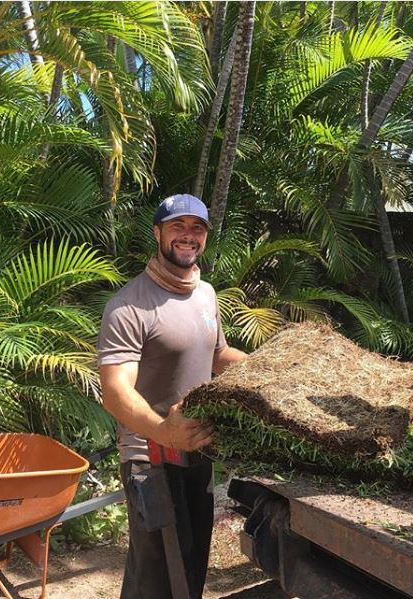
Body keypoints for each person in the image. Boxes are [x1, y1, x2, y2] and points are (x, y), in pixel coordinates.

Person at [98, 194, 247, 599]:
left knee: (191, 565)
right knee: (157, 575)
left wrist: (265, 370)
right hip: (151, 457)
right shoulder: (130, 306)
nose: (188, 236)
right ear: (158, 233)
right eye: (177, 226)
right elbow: (114, 391)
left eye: (196, 228)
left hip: (196, 450)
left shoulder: (205, 294)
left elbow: (216, 355)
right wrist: (165, 432)